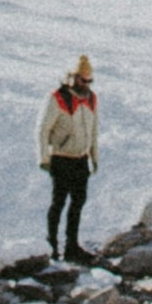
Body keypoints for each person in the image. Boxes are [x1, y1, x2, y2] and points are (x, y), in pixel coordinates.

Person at [37, 54, 99, 256]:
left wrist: (94, 156)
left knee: (78, 202)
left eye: (90, 80)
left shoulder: (91, 99)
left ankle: (71, 245)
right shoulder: (58, 98)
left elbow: (94, 130)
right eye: (83, 80)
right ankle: (52, 245)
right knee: (59, 202)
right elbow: (42, 129)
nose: (87, 84)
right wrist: (43, 158)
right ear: (72, 77)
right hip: (62, 158)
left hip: (81, 159)